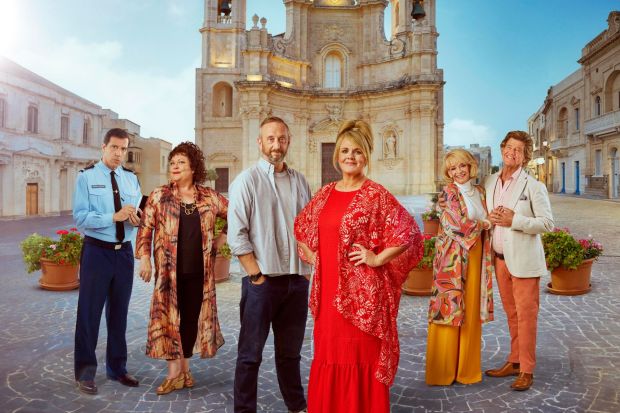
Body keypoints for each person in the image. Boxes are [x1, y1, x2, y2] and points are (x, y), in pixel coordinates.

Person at [294, 120, 423, 413]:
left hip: (364, 296)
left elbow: (408, 233)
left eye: (357, 152)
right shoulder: (325, 193)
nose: (350, 157)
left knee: (360, 354)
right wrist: (313, 255)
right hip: (328, 293)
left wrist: (376, 259)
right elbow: (301, 228)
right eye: (345, 151)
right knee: (330, 353)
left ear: (366, 156)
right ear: (337, 156)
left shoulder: (375, 194)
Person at [228, 116, 312, 413]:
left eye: (282, 138)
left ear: (289, 141)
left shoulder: (301, 181)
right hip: (262, 283)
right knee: (250, 354)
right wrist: (256, 275)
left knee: (291, 354)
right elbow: (236, 234)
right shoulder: (246, 180)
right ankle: (244, 410)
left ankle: (296, 405)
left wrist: (308, 270)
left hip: (297, 282)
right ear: (260, 142)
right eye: (271, 139)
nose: (277, 144)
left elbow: (310, 228)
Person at [135, 142, 228, 395]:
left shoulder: (209, 197)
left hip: (201, 273)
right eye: (172, 162)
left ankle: (185, 371)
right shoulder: (159, 195)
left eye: (181, 163)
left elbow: (236, 214)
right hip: (168, 274)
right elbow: (145, 229)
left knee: (189, 321)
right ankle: (173, 373)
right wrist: (144, 258)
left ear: (193, 168)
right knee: (169, 321)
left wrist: (223, 237)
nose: (175, 166)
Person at [72, 128, 142, 395]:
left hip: (123, 253)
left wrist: (136, 218)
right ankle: (85, 372)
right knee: (89, 314)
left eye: (123, 149)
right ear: (103, 148)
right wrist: (112, 217)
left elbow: (136, 213)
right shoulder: (87, 178)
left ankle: (117, 368)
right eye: (114, 147)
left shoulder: (131, 180)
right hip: (96, 252)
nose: (119, 153)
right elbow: (80, 218)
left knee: (119, 314)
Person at [483, 131, 554, 391]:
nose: (512, 153)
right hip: (500, 260)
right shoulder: (490, 181)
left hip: (524, 262)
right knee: (512, 315)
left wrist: (515, 221)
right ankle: (513, 361)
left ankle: (526, 369)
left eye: (519, 150)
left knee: (526, 316)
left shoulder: (534, 186)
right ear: (502, 149)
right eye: (509, 147)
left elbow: (547, 224)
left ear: (525, 157)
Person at [425, 149, 494, 386]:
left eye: (461, 166)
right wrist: (485, 223)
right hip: (452, 259)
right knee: (449, 308)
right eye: (452, 169)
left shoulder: (481, 192)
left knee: (471, 311)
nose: (458, 172)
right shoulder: (449, 192)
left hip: (475, 256)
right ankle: (442, 371)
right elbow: (457, 224)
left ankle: (466, 369)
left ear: (471, 166)